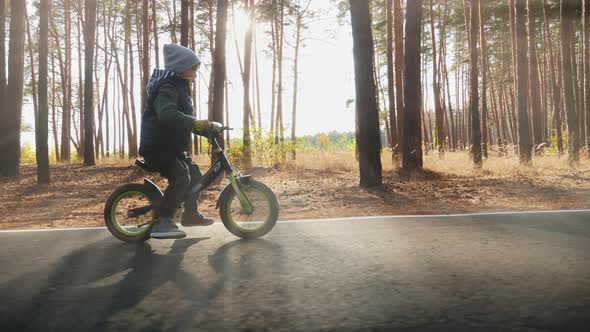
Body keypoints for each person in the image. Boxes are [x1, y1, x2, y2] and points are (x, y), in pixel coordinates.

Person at [139, 43, 222, 239]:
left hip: (170, 147)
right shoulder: (167, 87)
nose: (195, 71)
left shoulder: (180, 87)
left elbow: (183, 122)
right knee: (181, 176)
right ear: (180, 67)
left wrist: (206, 129)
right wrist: (196, 122)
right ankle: (163, 222)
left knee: (194, 174)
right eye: (192, 67)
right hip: (157, 148)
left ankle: (190, 214)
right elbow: (167, 115)